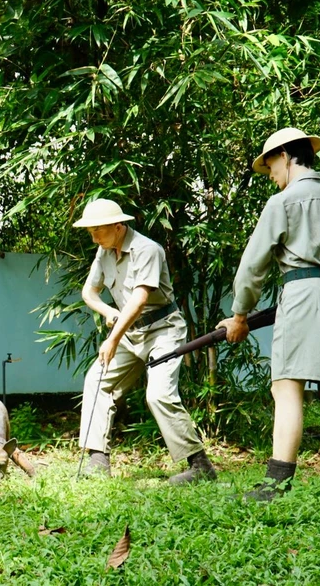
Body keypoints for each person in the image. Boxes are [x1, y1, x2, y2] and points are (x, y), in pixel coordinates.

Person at [217, 127, 320, 500]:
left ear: (285, 157)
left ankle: (275, 485)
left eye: (271, 165)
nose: (271, 175)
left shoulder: (283, 202)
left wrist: (239, 316)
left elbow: (252, 266)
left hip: (303, 291)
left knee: (286, 386)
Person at [74, 199, 217, 484]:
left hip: (163, 329)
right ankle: (98, 460)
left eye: (98, 231)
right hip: (130, 332)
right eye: (91, 232)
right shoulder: (104, 251)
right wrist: (108, 312)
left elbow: (139, 299)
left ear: (118, 227)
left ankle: (200, 465)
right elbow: (89, 292)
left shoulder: (147, 249)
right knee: (97, 380)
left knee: (158, 394)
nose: (94, 238)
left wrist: (112, 339)